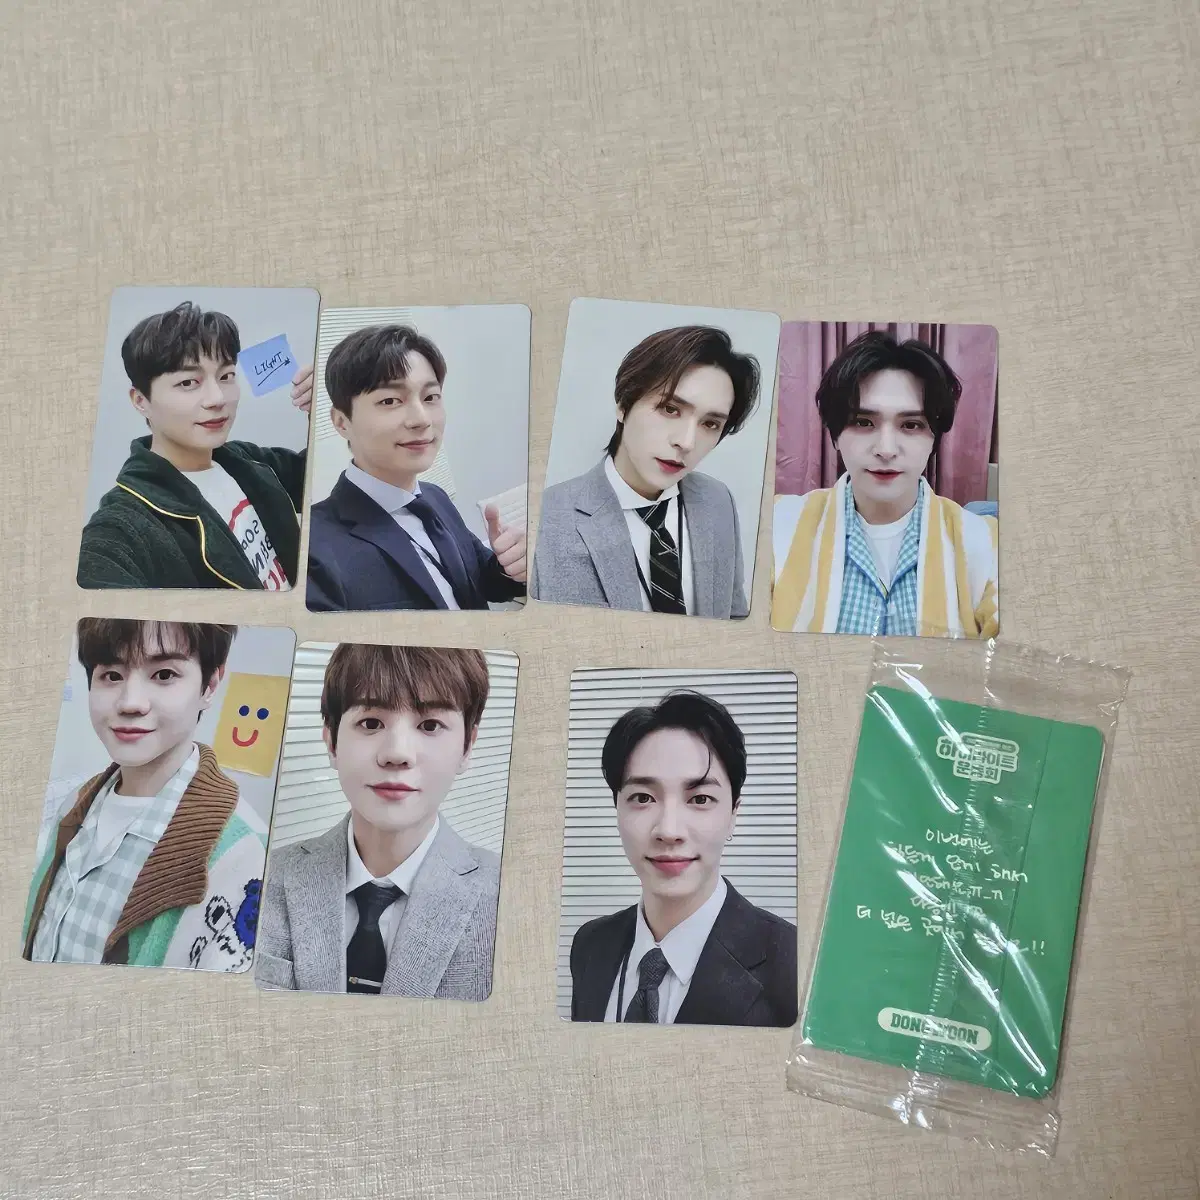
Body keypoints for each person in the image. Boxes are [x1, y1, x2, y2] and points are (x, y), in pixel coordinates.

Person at [256, 644, 501, 999]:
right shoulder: (261, 876)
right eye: (371, 723)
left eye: (430, 725)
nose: (397, 753)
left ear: (468, 746)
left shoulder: (508, 898)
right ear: (331, 741)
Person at [23, 619, 266, 972]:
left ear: (210, 684)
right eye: (111, 675)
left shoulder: (243, 855)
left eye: (164, 674)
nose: (130, 703)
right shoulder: (73, 804)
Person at [569, 691, 797, 1026]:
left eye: (700, 799)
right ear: (617, 807)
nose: (669, 830)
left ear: (733, 814)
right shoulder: (589, 945)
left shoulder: (793, 965)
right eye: (643, 797)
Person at [771, 330, 999, 637]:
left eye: (911, 425)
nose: (886, 449)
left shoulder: (986, 542)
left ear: (934, 439)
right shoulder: (777, 526)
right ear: (835, 435)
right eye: (863, 422)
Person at [77, 301, 314, 591]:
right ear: (141, 401)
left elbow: (322, 481)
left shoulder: (243, 460)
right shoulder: (125, 523)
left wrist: (333, 407)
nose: (217, 399)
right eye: (189, 382)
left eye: (226, 376)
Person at [531, 326, 760, 619]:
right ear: (624, 405)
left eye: (710, 424)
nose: (687, 442)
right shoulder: (547, 517)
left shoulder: (718, 500)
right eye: (670, 409)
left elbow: (735, 614)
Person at [305, 325, 527, 611]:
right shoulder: (314, 548)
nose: (421, 420)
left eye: (430, 397)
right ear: (341, 422)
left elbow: (477, 582)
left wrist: (510, 565)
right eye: (390, 400)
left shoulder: (435, 497)